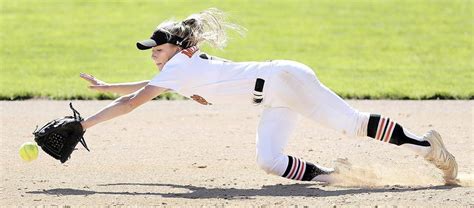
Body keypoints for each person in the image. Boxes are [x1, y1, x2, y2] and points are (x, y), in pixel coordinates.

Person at [79, 8, 458, 185]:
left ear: (177, 48)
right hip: (275, 97)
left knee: (352, 124)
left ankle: (427, 146)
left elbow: (134, 103)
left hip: (284, 80)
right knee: (269, 161)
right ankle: (337, 176)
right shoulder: (183, 65)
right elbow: (143, 88)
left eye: (157, 49)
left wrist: (84, 123)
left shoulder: (179, 68)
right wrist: (106, 85)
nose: (153, 54)